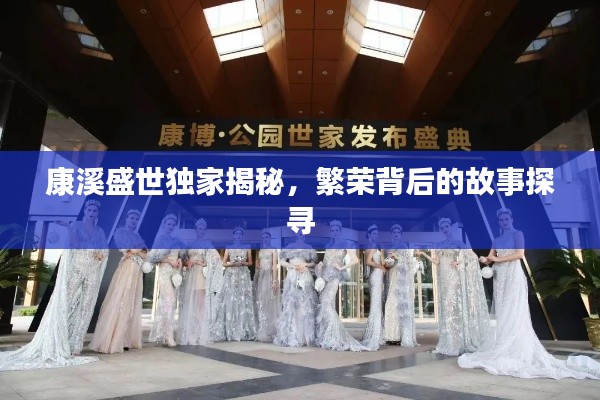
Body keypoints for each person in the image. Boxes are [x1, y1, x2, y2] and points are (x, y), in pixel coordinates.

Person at [458, 208, 600, 379]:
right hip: (500, 276)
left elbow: (519, 254)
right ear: (499, 222)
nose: (504, 222)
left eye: (506, 219)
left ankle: (516, 346)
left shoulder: (518, 234)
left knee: (514, 308)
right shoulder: (497, 239)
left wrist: (497, 259)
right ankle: (504, 343)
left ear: (511, 219)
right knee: (504, 310)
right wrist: (484, 259)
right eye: (501, 220)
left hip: (513, 273)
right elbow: (490, 257)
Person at [0, 199, 108, 370]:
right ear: (85, 211)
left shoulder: (100, 231)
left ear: (97, 213)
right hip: (76, 269)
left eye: (94, 211)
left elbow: (104, 249)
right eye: (89, 210)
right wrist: (68, 227)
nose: (91, 213)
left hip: (92, 271)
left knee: (86, 306)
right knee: (66, 302)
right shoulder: (76, 226)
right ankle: (60, 340)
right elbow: (75, 245)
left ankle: (76, 344)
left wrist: (101, 254)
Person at [415, 218, 490, 356]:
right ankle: (451, 341)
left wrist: (459, 262)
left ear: (450, 227)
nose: (444, 229)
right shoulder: (440, 244)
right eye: (442, 227)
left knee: (451, 306)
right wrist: (425, 254)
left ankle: (458, 342)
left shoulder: (458, 242)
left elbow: (472, 257)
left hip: (454, 277)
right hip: (444, 279)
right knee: (447, 309)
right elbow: (437, 262)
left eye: (446, 226)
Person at [90, 209, 147, 354]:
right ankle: (113, 340)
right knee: (121, 300)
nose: (134, 221)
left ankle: (125, 339)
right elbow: (132, 249)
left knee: (131, 303)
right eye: (132, 218)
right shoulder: (120, 232)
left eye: (136, 219)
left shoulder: (137, 235)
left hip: (137, 271)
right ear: (126, 219)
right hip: (127, 269)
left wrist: (138, 249)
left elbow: (145, 254)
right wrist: (138, 249)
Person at [316, 220, 368, 351]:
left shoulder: (345, 243)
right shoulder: (328, 244)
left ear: (340, 231)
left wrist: (342, 267)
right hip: (325, 277)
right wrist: (321, 265)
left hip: (334, 278)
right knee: (324, 304)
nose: (334, 232)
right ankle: (327, 336)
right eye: (332, 230)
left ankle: (335, 336)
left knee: (327, 304)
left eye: (337, 230)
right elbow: (325, 261)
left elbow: (356, 260)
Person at [178, 218, 224, 345]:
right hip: (190, 275)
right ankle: (190, 332)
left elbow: (217, 259)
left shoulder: (207, 244)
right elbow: (183, 260)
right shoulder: (189, 244)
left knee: (200, 305)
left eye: (204, 229)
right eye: (200, 229)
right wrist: (188, 262)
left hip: (200, 276)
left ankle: (199, 333)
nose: (202, 231)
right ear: (196, 230)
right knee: (190, 304)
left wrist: (206, 263)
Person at [274, 230, 318, 347]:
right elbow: (282, 261)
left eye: (302, 233)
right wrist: (292, 266)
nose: (300, 235)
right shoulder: (289, 246)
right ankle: (293, 336)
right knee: (291, 305)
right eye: (298, 233)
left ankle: (304, 337)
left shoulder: (309, 247)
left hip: (305, 276)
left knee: (305, 305)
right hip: (292, 277)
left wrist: (305, 264)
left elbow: (314, 263)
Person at [146, 213, 184, 347]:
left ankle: (163, 333)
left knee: (168, 304)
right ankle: (168, 336)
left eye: (173, 225)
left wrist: (179, 261)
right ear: (164, 225)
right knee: (169, 300)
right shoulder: (160, 239)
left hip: (174, 274)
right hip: (164, 273)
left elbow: (179, 255)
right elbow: (152, 257)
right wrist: (169, 260)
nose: (171, 226)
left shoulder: (176, 240)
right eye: (169, 224)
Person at [213, 226, 256, 341]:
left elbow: (250, 262)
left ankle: (242, 328)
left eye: (240, 234)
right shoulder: (229, 247)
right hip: (231, 275)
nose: (238, 236)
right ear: (233, 235)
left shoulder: (247, 247)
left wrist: (243, 263)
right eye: (236, 234)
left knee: (242, 299)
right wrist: (233, 263)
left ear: (242, 236)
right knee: (230, 299)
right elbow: (223, 263)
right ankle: (230, 329)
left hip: (243, 276)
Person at [383, 224, 418, 347]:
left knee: (401, 305)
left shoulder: (404, 247)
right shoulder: (390, 247)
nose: (396, 234)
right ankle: (392, 336)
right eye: (394, 232)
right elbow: (389, 264)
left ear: (401, 234)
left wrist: (396, 257)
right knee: (391, 303)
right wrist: (388, 262)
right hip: (393, 276)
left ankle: (402, 335)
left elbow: (409, 263)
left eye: (398, 232)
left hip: (402, 279)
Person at [361, 225, 386, 350]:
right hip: (375, 276)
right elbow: (368, 261)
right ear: (370, 235)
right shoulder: (372, 245)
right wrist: (380, 266)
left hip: (377, 276)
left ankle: (377, 334)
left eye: (377, 233)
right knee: (376, 305)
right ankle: (374, 335)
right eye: (374, 233)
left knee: (377, 304)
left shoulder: (374, 246)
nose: (376, 235)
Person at [253, 230, 281, 343]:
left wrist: (274, 280)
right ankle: (261, 328)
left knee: (268, 301)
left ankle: (269, 329)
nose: (265, 239)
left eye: (267, 237)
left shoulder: (273, 250)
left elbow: (274, 266)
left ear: (270, 238)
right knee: (260, 301)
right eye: (263, 237)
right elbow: (258, 265)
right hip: (260, 276)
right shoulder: (260, 251)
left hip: (269, 277)